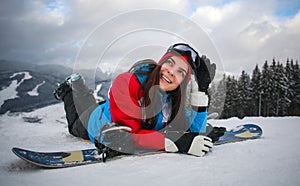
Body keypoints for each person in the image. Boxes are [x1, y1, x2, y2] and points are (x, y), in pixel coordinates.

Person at [54, 43, 224, 159]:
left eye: (180, 72)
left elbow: (194, 130)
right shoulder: (127, 82)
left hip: (110, 109)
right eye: (170, 63)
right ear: (160, 64)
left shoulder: (171, 100)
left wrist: (200, 93)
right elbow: (127, 137)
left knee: (89, 101)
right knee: (75, 120)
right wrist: (175, 142)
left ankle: (79, 87)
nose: (172, 72)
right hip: (94, 122)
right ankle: (71, 88)